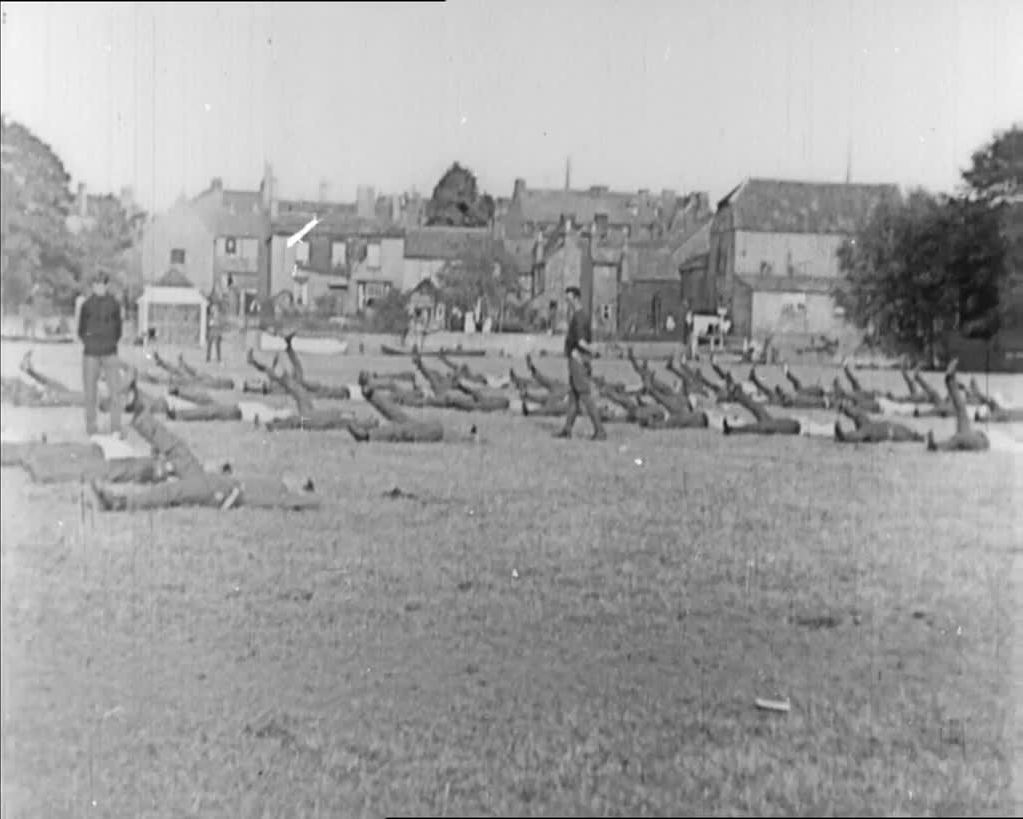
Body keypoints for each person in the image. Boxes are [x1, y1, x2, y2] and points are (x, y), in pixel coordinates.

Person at [555, 287, 606, 440]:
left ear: (576, 298)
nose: (568, 302)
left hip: (578, 360)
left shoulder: (579, 317)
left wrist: (593, 351)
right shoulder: (581, 315)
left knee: (585, 396)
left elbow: (582, 342)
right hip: (576, 359)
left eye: (569, 299)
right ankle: (567, 429)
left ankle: (600, 430)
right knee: (574, 396)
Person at [77, 270, 123, 437]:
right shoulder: (86, 305)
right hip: (90, 354)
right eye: (96, 284)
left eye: (102, 284)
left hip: (110, 353)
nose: (99, 287)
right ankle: (91, 429)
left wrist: (110, 343)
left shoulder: (114, 304)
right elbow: (81, 330)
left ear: (107, 285)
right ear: (92, 286)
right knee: (90, 393)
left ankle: (115, 428)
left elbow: (119, 330)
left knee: (115, 393)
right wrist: (90, 343)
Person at [925, 359, 989, 452]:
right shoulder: (972, 436)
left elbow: (959, 404)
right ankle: (950, 379)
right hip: (969, 442)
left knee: (960, 410)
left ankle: (950, 379)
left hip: (967, 439)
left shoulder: (970, 433)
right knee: (955, 440)